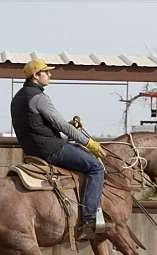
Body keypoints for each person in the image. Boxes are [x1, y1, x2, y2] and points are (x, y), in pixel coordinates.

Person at [10, 57, 106, 238]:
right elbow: (61, 126)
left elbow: (38, 126)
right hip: (51, 150)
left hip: (32, 152)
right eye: (46, 72)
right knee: (96, 167)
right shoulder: (39, 98)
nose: (50, 74)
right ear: (36, 76)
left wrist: (70, 125)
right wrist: (89, 143)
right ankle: (88, 219)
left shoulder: (17, 99)